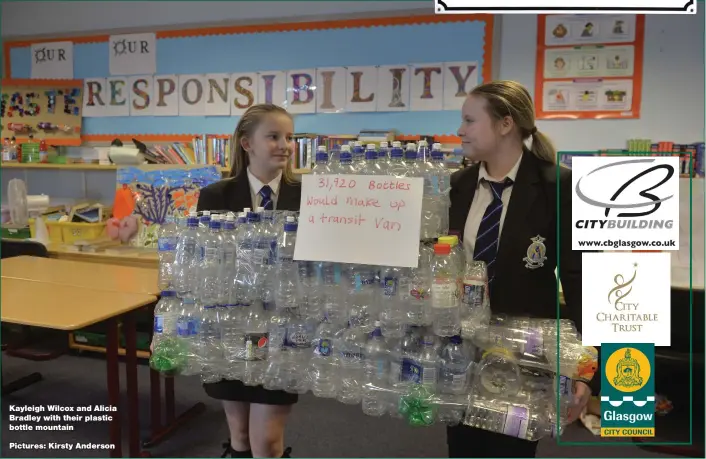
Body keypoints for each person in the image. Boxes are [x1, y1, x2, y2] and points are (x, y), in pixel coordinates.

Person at [446, 80, 598, 457]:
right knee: (463, 448)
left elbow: (582, 280)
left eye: (469, 120)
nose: (460, 131)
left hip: (526, 357)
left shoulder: (557, 187)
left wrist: (587, 367)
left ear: (505, 124)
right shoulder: (459, 186)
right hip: (463, 351)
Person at [197, 104, 302, 458]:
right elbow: (203, 263)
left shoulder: (308, 198)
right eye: (273, 136)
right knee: (240, 436)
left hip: (282, 332)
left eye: (289, 137)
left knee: (268, 441)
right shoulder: (216, 196)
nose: (284, 145)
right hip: (230, 327)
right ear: (247, 143)